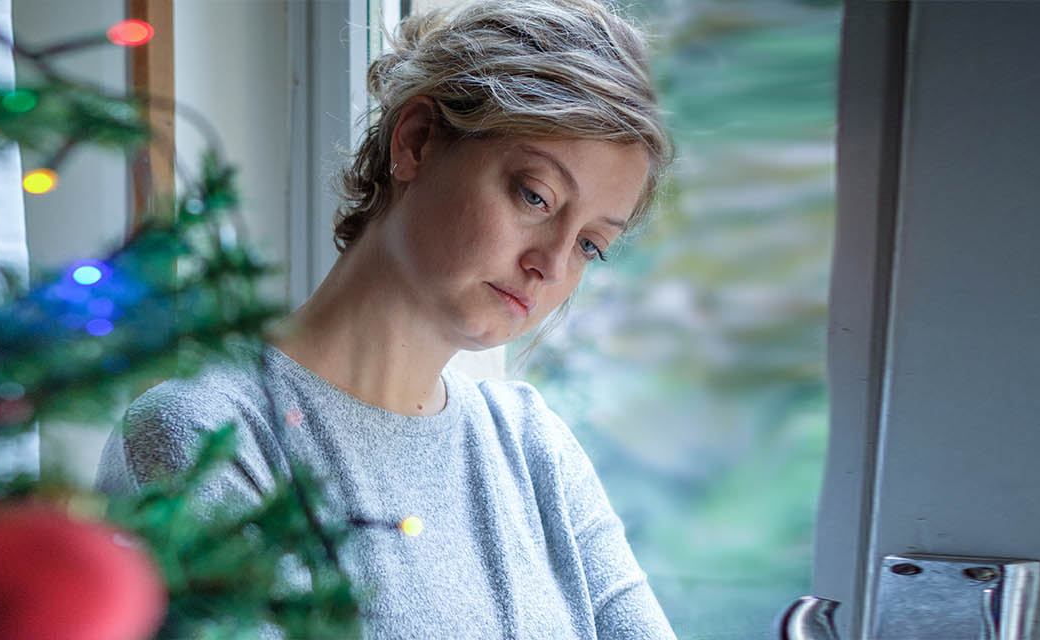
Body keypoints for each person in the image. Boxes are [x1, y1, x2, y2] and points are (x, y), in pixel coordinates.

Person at [97, 0, 675, 637]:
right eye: (534, 195)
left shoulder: (534, 448)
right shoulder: (205, 436)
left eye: (591, 243)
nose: (552, 264)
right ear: (417, 141)